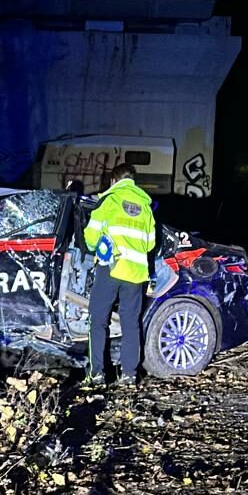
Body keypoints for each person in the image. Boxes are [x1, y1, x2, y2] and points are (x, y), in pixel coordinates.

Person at [83, 163, 156, 386]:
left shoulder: (109, 201)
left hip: (111, 267)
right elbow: (150, 243)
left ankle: (97, 374)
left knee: (98, 321)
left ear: (114, 181)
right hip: (135, 273)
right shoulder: (145, 207)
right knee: (131, 324)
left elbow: (91, 238)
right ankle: (129, 375)